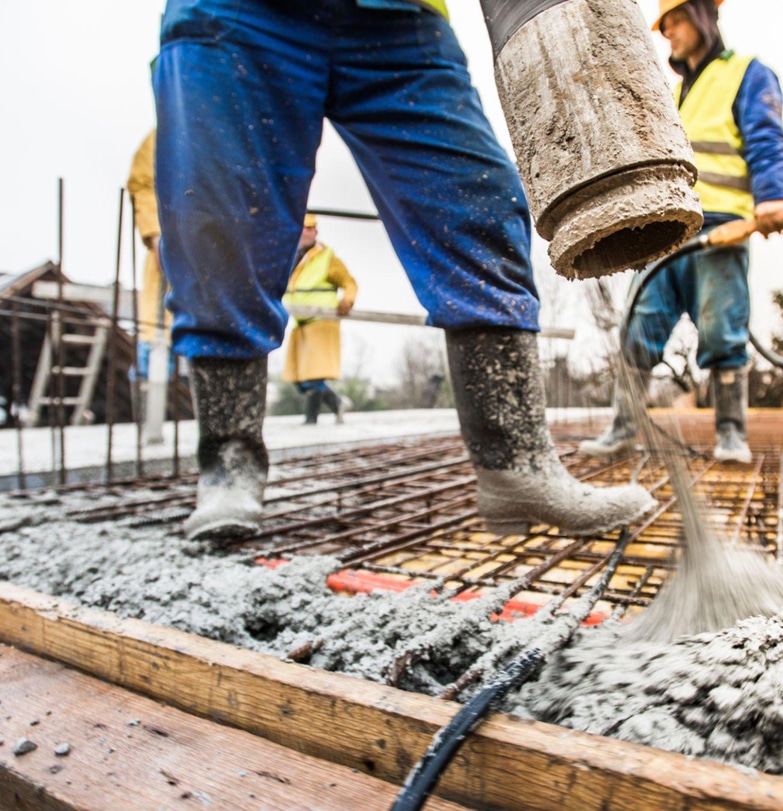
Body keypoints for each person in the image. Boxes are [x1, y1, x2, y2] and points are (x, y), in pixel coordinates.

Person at [152, 0, 657, 542]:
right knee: (222, 225)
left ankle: (517, 466)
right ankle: (228, 466)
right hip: (240, 14)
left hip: (400, 18)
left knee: (480, 201)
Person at [580, 0, 783, 465]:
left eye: (675, 21)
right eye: (665, 26)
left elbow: (765, 138)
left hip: (722, 227)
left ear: (701, 15)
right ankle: (622, 430)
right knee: (640, 324)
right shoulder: (675, 92)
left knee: (721, 329)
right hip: (668, 229)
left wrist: (773, 195)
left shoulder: (746, 73)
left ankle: (731, 435)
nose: (669, 33)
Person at [281, 213, 358, 425]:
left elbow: (349, 283)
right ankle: (337, 403)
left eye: (310, 228)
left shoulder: (326, 257)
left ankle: (310, 421)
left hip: (322, 320)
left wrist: (348, 300)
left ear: (316, 232)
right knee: (298, 377)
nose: (306, 232)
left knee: (314, 376)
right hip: (299, 322)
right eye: (302, 228)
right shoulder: (291, 257)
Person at [126, 128, 175, 439]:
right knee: (154, 339)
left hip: (216, 253)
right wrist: (155, 236)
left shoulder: (232, 128)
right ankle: (149, 425)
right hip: (169, 251)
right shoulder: (165, 134)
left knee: (211, 341)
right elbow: (143, 184)